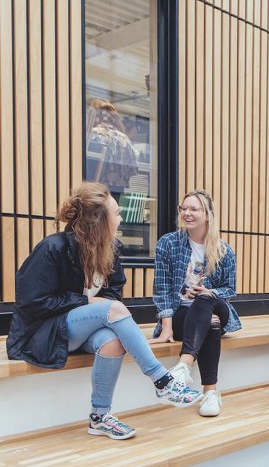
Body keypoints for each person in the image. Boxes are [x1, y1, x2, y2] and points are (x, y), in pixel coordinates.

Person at [6, 183, 203, 440]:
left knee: (113, 343)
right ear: (99, 220)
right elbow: (32, 302)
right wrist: (86, 302)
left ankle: (99, 417)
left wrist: (97, 304)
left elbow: (112, 293)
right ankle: (162, 382)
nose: (121, 218)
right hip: (45, 332)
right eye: (116, 212)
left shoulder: (111, 250)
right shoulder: (53, 248)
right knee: (114, 309)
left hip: (82, 330)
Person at [149, 190, 240, 417]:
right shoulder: (168, 243)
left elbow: (230, 290)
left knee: (205, 299)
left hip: (216, 305)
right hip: (183, 313)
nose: (187, 213)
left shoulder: (224, 250)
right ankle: (210, 393)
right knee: (210, 322)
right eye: (184, 209)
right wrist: (166, 325)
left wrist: (209, 291)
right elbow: (161, 288)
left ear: (208, 215)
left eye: (194, 209)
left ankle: (183, 367)